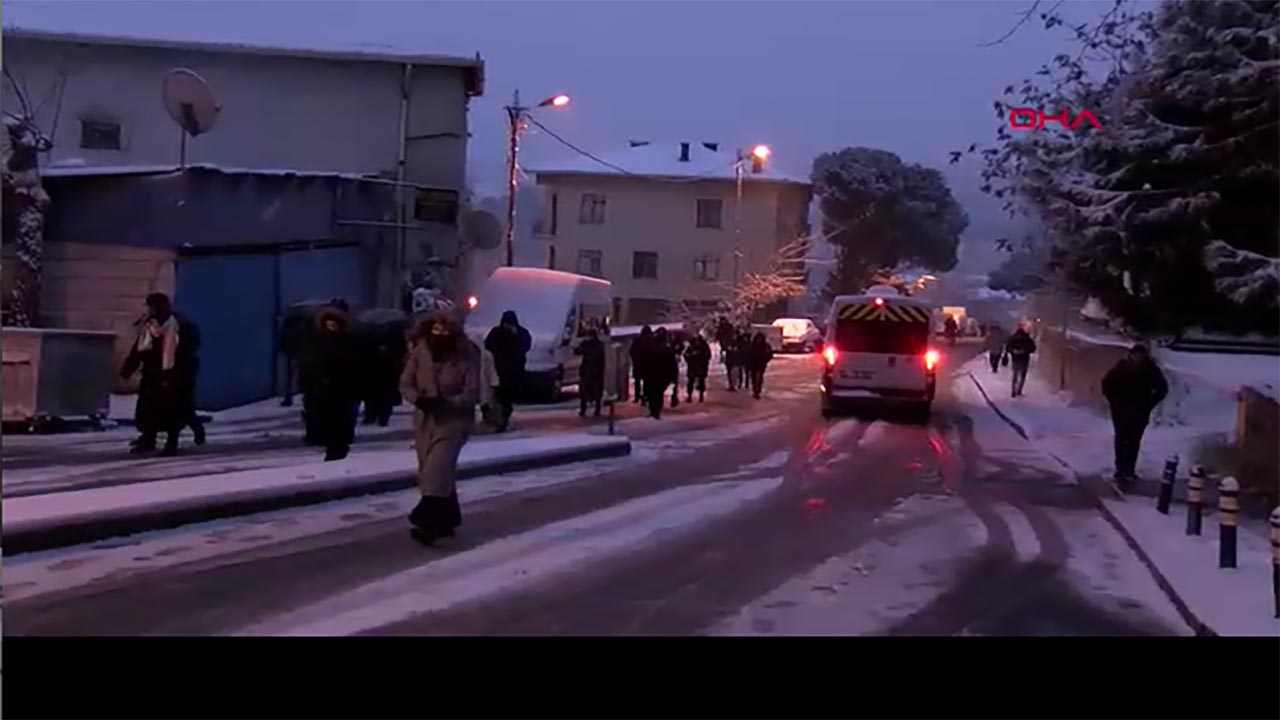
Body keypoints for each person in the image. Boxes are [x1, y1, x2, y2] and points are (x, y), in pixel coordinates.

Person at [400, 309, 480, 546]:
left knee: (437, 471)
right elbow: (406, 383)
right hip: (425, 421)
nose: (440, 334)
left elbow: (473, 392)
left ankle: (427, 523)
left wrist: (448, 402)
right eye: (436, 329)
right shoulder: (420, 353)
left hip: (453, 422)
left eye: (445, 330)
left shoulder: (467, 355)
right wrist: (419, 399)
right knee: (432, 473)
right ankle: (448, 520)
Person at [121, 293, 202, 456]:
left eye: (154, 306)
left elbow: (188, 350)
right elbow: (139, 349)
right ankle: (148, 440)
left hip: (175, 374)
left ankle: (172, 442)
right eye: (150, 306)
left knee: (174, 410)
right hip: (152, 375)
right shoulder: (150, 326)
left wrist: (176, 373)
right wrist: (128, 368)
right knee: (148, 409)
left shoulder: (180, 326)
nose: (151, 310)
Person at [1102, 344, 1169, 488]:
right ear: (1131, 355)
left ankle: (1129, 469)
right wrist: (1114, 402)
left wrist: (1149, 404)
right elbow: (1107, 385)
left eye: (1141, 357)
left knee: (1134, 440)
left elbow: (1162, 389)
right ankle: (1120, 469)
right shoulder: (1121, 369)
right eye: (1136, 356)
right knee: (1121, 439)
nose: (1138, 359)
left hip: (1140, 411)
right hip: (1121, 410)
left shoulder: (1151, 371)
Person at [299, 306, 359, 461]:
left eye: (334, 323)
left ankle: (337, 446)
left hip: (341, 389)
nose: (331, 326)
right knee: (325, 418)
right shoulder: (317, 342)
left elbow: (354, 364)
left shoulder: (347, 341)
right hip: (321, 389)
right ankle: (331, 444)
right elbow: (308, 364)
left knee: (340, 419)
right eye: (328, 323)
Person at [484, 310, 532, 432]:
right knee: (497, 398)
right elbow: (489, 345)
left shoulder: (520, 333)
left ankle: (501, 420)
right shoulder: (497, 333)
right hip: (500, 370)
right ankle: (497, 419)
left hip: (511, 371)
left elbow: (524, 346)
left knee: (505, 398)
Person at [644, 327, 678, 419]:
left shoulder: (654, 346)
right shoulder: (664, 348)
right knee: (657, 393)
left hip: (655, 374)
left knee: (655, 393)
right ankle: (655, 411)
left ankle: (654, 410)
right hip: (658, 374)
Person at [575, 327, 607, 418]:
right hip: (595, 372)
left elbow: (578, 351)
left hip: (588, 371)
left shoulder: (588, 345)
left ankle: (584, 410)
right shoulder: (599, 345)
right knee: (595, 393)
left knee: (585, 392)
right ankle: (595, 410)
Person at [1004, 326, 1037, 398]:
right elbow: (1033, 348)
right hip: (1024, 359)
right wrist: (1025, 351)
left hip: (1015, 359)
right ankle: (1019, 389)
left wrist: (1013, 351)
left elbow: (1008, 347)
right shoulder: (1027, 339)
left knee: (1015, 374)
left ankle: (1013, 390)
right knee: (1022, 375)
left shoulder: (1012, 338)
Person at [683, 333, 712, 403]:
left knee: (700, 381)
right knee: (691, 381)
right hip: (693, 365)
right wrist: (690, 357)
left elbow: (708, 355)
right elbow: (686, 355)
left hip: (701, 365)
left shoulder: (704, 346)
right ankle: (690, 396)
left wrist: (701, 356)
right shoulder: (691, 347)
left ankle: (700, 396)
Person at [745, 331, 774, 400]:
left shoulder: (765, 346)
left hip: (761, 364)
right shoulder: (752, 345)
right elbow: (748, 354)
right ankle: (755, 390)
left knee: (759, 377)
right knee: (754, 378)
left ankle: (757, 391)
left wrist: (765, 361)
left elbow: (770, 355)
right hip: (753, 364)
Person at [629, 325, 653, 404]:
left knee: (637, 382)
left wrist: (635, 359)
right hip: (648, 364)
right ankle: (645, 396)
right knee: (647, 382)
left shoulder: (637, 340)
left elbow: (631, 351)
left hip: (638, 364)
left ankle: (637, 396)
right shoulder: (651, 340)